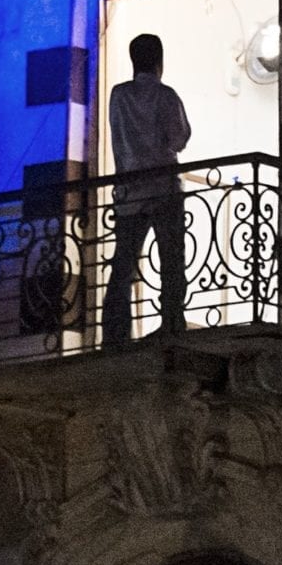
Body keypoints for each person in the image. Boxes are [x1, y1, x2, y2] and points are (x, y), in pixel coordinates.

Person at [102, 33, 191, 344]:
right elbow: (179, 138)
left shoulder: (118, 96)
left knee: (123, 263)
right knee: (171, 259)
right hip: (164, 189)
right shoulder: (166, 96)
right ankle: (171, 322)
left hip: (128, 191)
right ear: (158, 61)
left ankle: (114, 331)